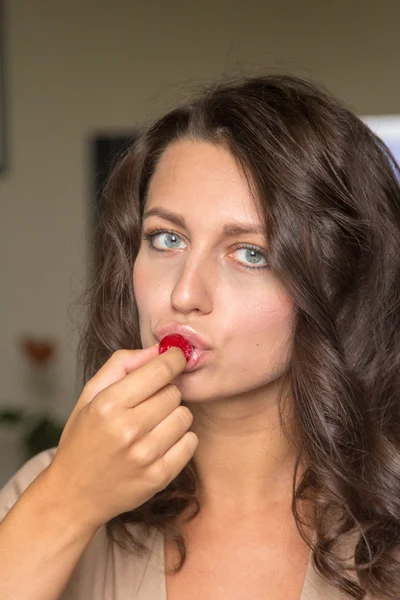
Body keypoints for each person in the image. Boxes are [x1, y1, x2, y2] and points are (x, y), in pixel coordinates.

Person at [0, 73, 399, 600]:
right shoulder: (50, 489)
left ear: (336, 280)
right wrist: (68, 502)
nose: (185, 293)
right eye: (167, 239)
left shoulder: (388, 513)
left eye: (250, 252)